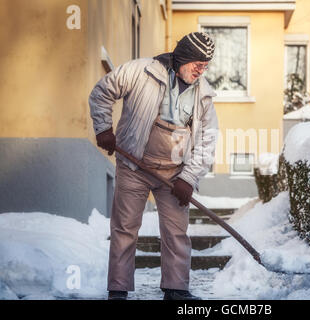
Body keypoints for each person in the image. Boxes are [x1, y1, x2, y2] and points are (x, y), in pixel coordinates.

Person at [89, 32, 218, 300]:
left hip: (174, 174)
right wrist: (103, 128)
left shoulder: (203, 94)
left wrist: (188, 178)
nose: (201, 70)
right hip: (134, 166)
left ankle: (176, 290)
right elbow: (102, 92)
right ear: (183, 56)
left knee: (176, 233)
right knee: (124, 228)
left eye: (205, 65)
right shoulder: (140, 71)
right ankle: (118, 290)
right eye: (197, 63)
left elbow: (207, 139)